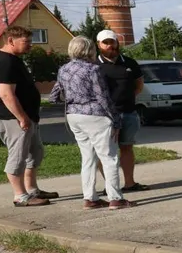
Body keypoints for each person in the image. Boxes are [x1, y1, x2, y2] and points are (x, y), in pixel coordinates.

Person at [49, 36, 133, 210]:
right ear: (89, 50)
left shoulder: (63, 69)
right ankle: (115, 198)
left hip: (73, 116)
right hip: (95, 115)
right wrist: (116, 120)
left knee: (88, 158)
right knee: (109, 157)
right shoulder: (93, 70)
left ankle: (90, 198)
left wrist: (73, 100)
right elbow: (102, 97)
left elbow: (54, 96)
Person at [0, 25, 58, 207]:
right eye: (26, 42)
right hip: (11, 118)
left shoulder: (15, 60)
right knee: (17, 156)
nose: (30, 45)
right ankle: (20, 195)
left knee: (35, 152)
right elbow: (6, 94)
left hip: (27, 117)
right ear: (10, 40)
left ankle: (32, 189)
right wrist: (21, 117)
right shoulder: (4, 62)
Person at [95, 29, 147, 192]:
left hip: (128, 113)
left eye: (113, 42)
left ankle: (130, 183)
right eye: (106, 42)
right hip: (105, 117)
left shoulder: (129, 62)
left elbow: (139, 85)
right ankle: (111, 185)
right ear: (99, 45)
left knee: (127, 147)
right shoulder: (94, 65)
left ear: (118, 43)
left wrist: (128, 98)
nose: (110, 45)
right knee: (106, 152)